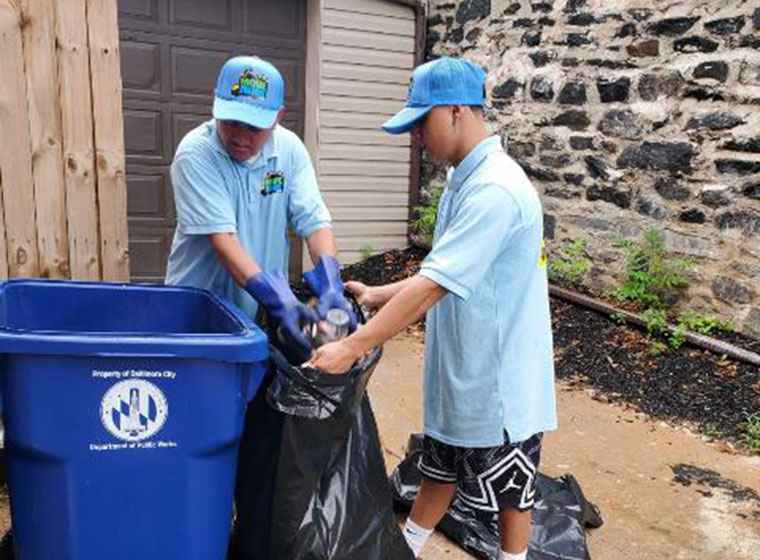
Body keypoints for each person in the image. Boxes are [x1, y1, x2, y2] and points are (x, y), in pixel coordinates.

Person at [308, 56, 558, 560]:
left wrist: (352, 348)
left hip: (499, 379)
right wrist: (380, 295)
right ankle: (409, 549)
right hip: (466, 366)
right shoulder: (464, 179)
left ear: (458, 111)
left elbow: (431, 289)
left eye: (422, 121)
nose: (417, 135)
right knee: (439, 466)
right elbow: (442, 271)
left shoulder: (495, 190)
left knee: (511, 493)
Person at [164, 55, 355, 557]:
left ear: (278, 117)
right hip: (198, 316)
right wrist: (281, 298)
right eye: (230, 120)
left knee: (252, 429)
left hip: (252, 318)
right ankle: (195, 525)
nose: (240, 135)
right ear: (215, 109)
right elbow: (225, 245)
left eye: (254, 125)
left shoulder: (288, 152)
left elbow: (313, 218)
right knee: (200, 428)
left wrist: (330, 279)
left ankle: (242, 530)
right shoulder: (196, 155)